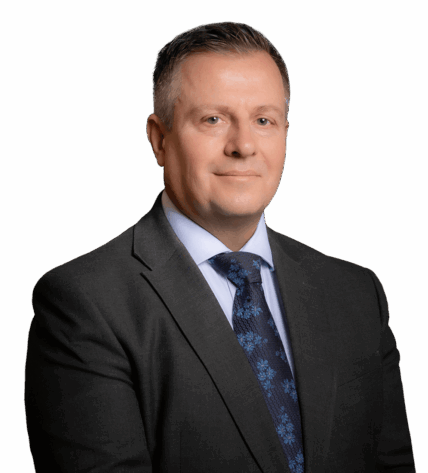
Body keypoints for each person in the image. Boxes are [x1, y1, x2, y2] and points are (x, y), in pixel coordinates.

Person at [25, 22, 415, 473]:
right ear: (160, 139)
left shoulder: (357, 293)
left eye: (264, 120)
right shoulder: (85, 303)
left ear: (285, 135)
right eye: (213, 119)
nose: (243, 146)